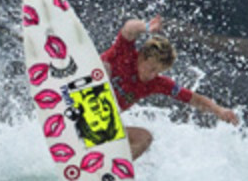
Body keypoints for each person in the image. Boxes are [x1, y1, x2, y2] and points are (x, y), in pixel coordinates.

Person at [100, 15, 238, 159]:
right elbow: (129, 28)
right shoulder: (124, 53)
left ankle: (108, 169)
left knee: (144, 138)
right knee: (104, 67)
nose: (152, 75)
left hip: (98, 126)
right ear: (142, 56)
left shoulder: (156, 83)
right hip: (78, 100)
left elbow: (192, 98)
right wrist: (146, 27)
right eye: (151, 68)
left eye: (158, 72)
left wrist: (219, 111)